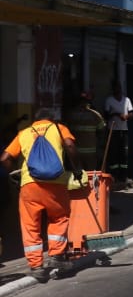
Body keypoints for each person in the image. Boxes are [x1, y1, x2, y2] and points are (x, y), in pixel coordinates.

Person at [0, 108, 83, 282]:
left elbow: (4, 158)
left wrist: (14, 176)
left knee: (30, 225)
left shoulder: (24, 133)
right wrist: (76, 169)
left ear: (35, 121)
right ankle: (57, 256)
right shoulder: (59, 128)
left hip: (30, 185)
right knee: (59, 218)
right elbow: (69, 145)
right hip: (56, 184)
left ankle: (37, 267)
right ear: (52, 119)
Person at [66, 92, 106, 173]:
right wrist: (100, 148)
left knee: (77, 176)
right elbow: (102, 131)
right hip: (90, 153)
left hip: (75, 152)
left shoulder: (70, 115)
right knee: (90, 175)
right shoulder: (95, 115)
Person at [104, 82, 133, 185]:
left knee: (124, 154)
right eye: (116, 88)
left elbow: (131, 113)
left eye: (119, 88)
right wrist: (116, 114)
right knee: (114, 153)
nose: (118, 90)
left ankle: (124, 176)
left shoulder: (127, 100)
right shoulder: (109, 100)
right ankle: (114, 175)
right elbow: (106, 115)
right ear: (113, 90)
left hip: (123, 130)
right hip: (113, 130)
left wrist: (126, 116)